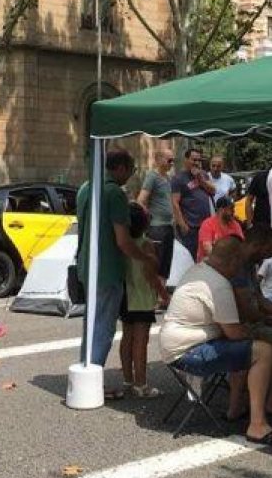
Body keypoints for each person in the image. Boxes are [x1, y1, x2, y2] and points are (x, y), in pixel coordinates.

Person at [157, 237, 272, 446]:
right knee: (262, 351)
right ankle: (257, 425)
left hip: (175, 346)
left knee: (246, 349)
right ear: (233, 261)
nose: (240, 269)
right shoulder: (218, 284)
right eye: (239, 264)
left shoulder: (198, 270)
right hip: (187, 352)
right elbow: (234, 333)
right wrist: (252, 333)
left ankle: (236, 407)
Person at [76, 148, 160, 396]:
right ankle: (93, 383)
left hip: (85, 266)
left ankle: (86, 373)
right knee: (103, 327)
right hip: (108, 269)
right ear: (120, 168)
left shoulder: (85, 188)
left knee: (90, 325)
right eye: (131, 170)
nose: (131, 175)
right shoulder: (114, 193)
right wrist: (145, 257)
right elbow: (123, 240)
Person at [229, 228, 272, 418]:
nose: (267, 257)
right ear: (256, 246)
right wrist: (271, 318)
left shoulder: (250, 266)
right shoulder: (237, 267)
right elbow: (246, 310)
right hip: (238, 326)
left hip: (250, 321)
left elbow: (259, 299)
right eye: (267, 251)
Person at [119, 203, 170, 399]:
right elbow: (150, 275)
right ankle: (141, 384)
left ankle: (127, 380)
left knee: (127, 338)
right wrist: (164, 295)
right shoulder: (146, 244)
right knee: (141, 341)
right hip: (141, 297)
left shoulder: (122, 243)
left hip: (126, 294)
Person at [137, 147, 176, 280]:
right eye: (169, 160)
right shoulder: (152, 176)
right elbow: (141, 201)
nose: (172, 163)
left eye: (173, 161)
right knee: (156, 265)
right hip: (157, 227)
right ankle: (154, 297)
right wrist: (148, 219)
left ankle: (161, 299)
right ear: (158, 160)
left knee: (165, 266)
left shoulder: (168, 178)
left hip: (168, 226)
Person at [171, 147, 215, 260]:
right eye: (194, 160)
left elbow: (213, 191)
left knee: (206, 257)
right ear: (186, 160)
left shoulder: (203, 175)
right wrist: (182, 225)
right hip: (191, 227)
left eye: (199, 160)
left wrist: (200, 178)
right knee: (190, 257)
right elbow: (174, 203)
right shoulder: (178, 179)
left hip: (206, 225)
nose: (196, 163)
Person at [196, 197, 244, 261]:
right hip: (208, 263)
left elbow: (242, 245)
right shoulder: (207, 224)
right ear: (221, 210)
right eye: (231, 209)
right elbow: (207, 249)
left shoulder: (235, 224)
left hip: (228, 263)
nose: (233, 212)